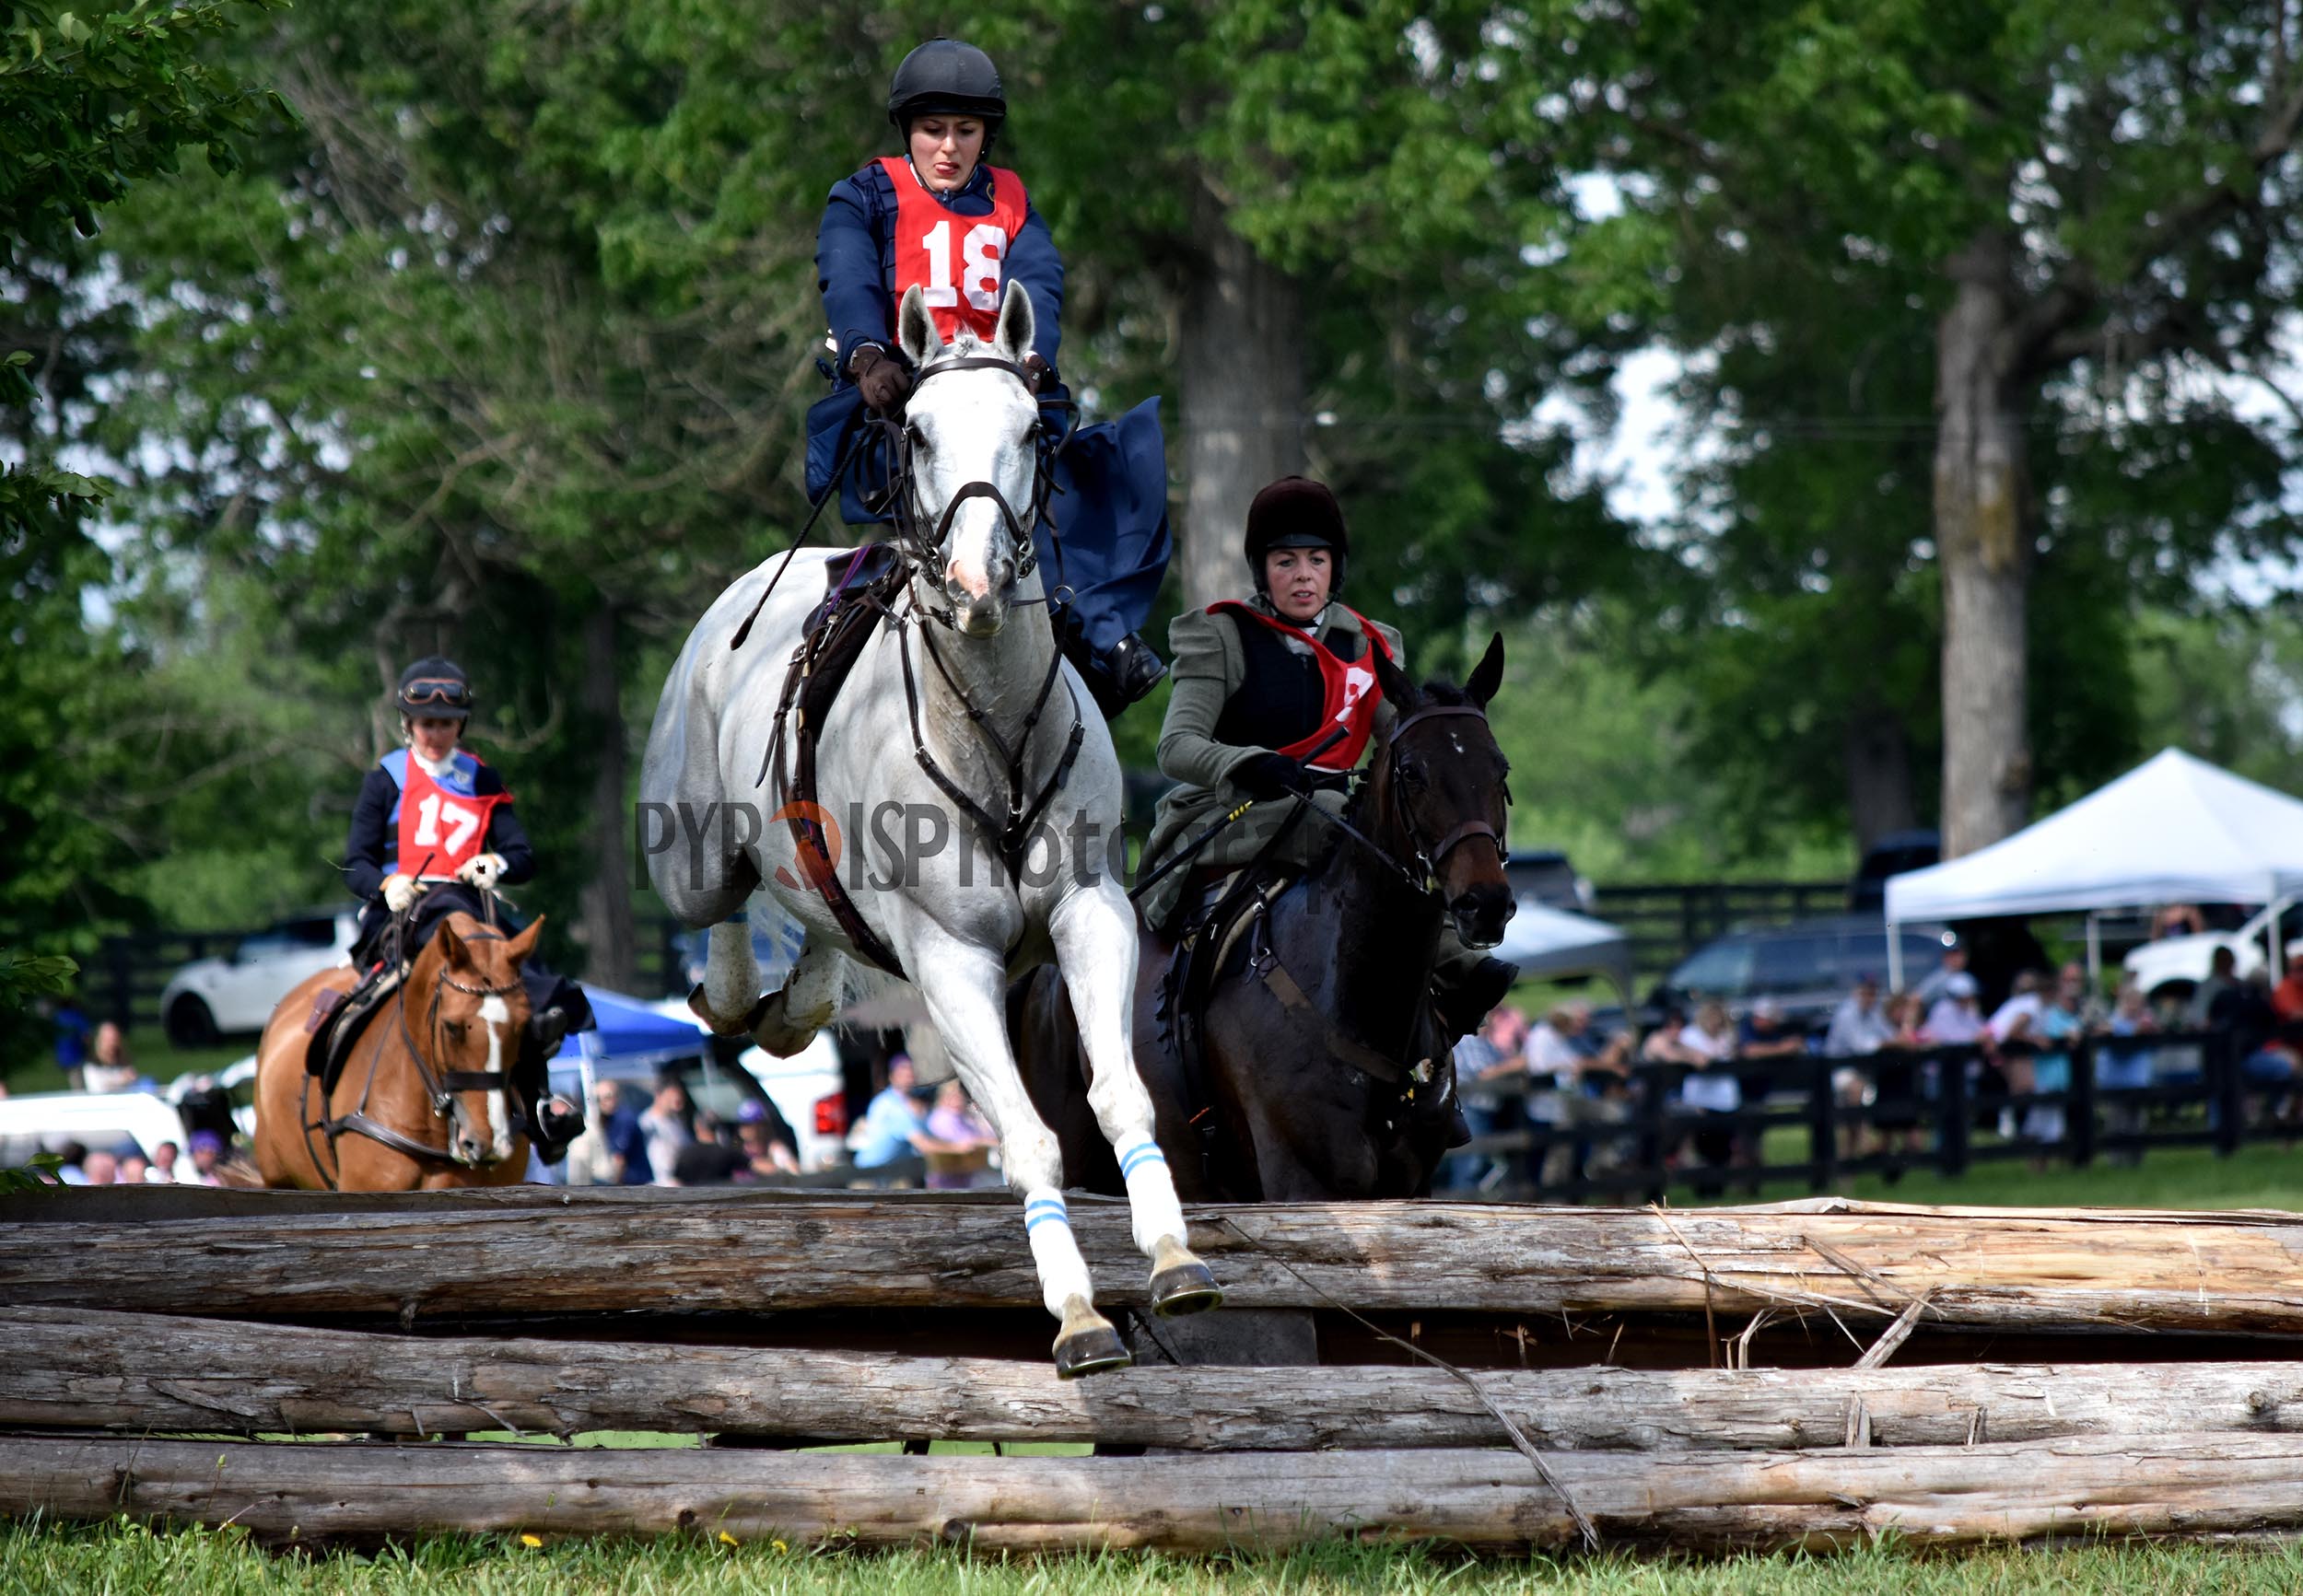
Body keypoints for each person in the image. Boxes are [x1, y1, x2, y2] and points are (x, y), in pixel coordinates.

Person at [810, 38, 1171, 716]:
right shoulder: (863, 195)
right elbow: (848, 275)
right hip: (900, 398)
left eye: (965, 131)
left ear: (986, 135)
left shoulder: (1012, 199)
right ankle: (824, 680)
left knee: (1072, 479)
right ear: (908, 132)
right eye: (932, 130)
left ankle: (1096, 633)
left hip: (1000, 383)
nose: (948, 147)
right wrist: (866, 356)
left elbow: (1039, 280)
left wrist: (1032, 361)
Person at [1133, 476, 1517, 1034]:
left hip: (1333, 812)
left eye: (1317, 559)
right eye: (1285, 561)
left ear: (1335, 568)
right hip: (1230, 812)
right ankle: (1456, 962)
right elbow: (1176, 748)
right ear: (1262, 571)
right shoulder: (1218, 634)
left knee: (1390, 831)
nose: (1303, 575)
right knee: (1341, 823)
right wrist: (1247, 763)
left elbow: (1401, 742)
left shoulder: (1372, 644)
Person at [342, 658, 592, 1159]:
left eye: (447, 723)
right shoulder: (386, 778)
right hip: (404, 909)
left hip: (473, 906)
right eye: (427, 723)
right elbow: (356, 864)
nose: (437, 733)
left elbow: (523, 855)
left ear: (461, 726)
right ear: (408, 725)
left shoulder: (481, 778)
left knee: (527, 999)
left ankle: (539, 1106)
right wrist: (387, 884)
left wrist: (494, 862)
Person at [851, 1054, 946, 1171]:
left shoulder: (913, 1103)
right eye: (903, 1075)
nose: (908, 1079)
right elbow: (923, 1144)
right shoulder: (891, 1105)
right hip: (870, 1175)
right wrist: (959, 1148)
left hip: (891, 1172)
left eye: (911, 1074)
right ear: (892, 1077)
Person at [2098, 980, 2157, 1163]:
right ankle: (2116, 1161)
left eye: (2137, 1002)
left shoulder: (2146, 1025)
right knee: (2117, 1123)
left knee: (2137, 1123)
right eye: (2130, 1001)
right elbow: (2108, 1034)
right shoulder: (2113, 1023)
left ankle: (2135, 1161)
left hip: (2139, 1081)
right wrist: (2134, 1031)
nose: (2134, 1006)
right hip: (2116, 1082)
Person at [637, 1077, 693, 1188]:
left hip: (680, 1182)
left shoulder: (676, 1121)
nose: (677, 1100)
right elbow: (655, 1160)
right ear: (659, 1095)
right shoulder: (647, 1123)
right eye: (671, 1097)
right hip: (661, 1186)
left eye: (679, 1097)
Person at [81, 1022, 138, 1094]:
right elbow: (96, 1089)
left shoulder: (124, 1063)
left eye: (114, 1039)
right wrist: (121, 1080)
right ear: (99, 1041)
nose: (112, 1044)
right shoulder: (91, 1066)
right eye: (108, 1040)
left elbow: (133, 1082)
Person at [51, 994, 90, 1091]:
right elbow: (86, 1036)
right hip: (75, 1056)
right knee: (79, 1086)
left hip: (61, 1056)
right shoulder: (76, 1016)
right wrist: (89, 1050)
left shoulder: (57, 1017)